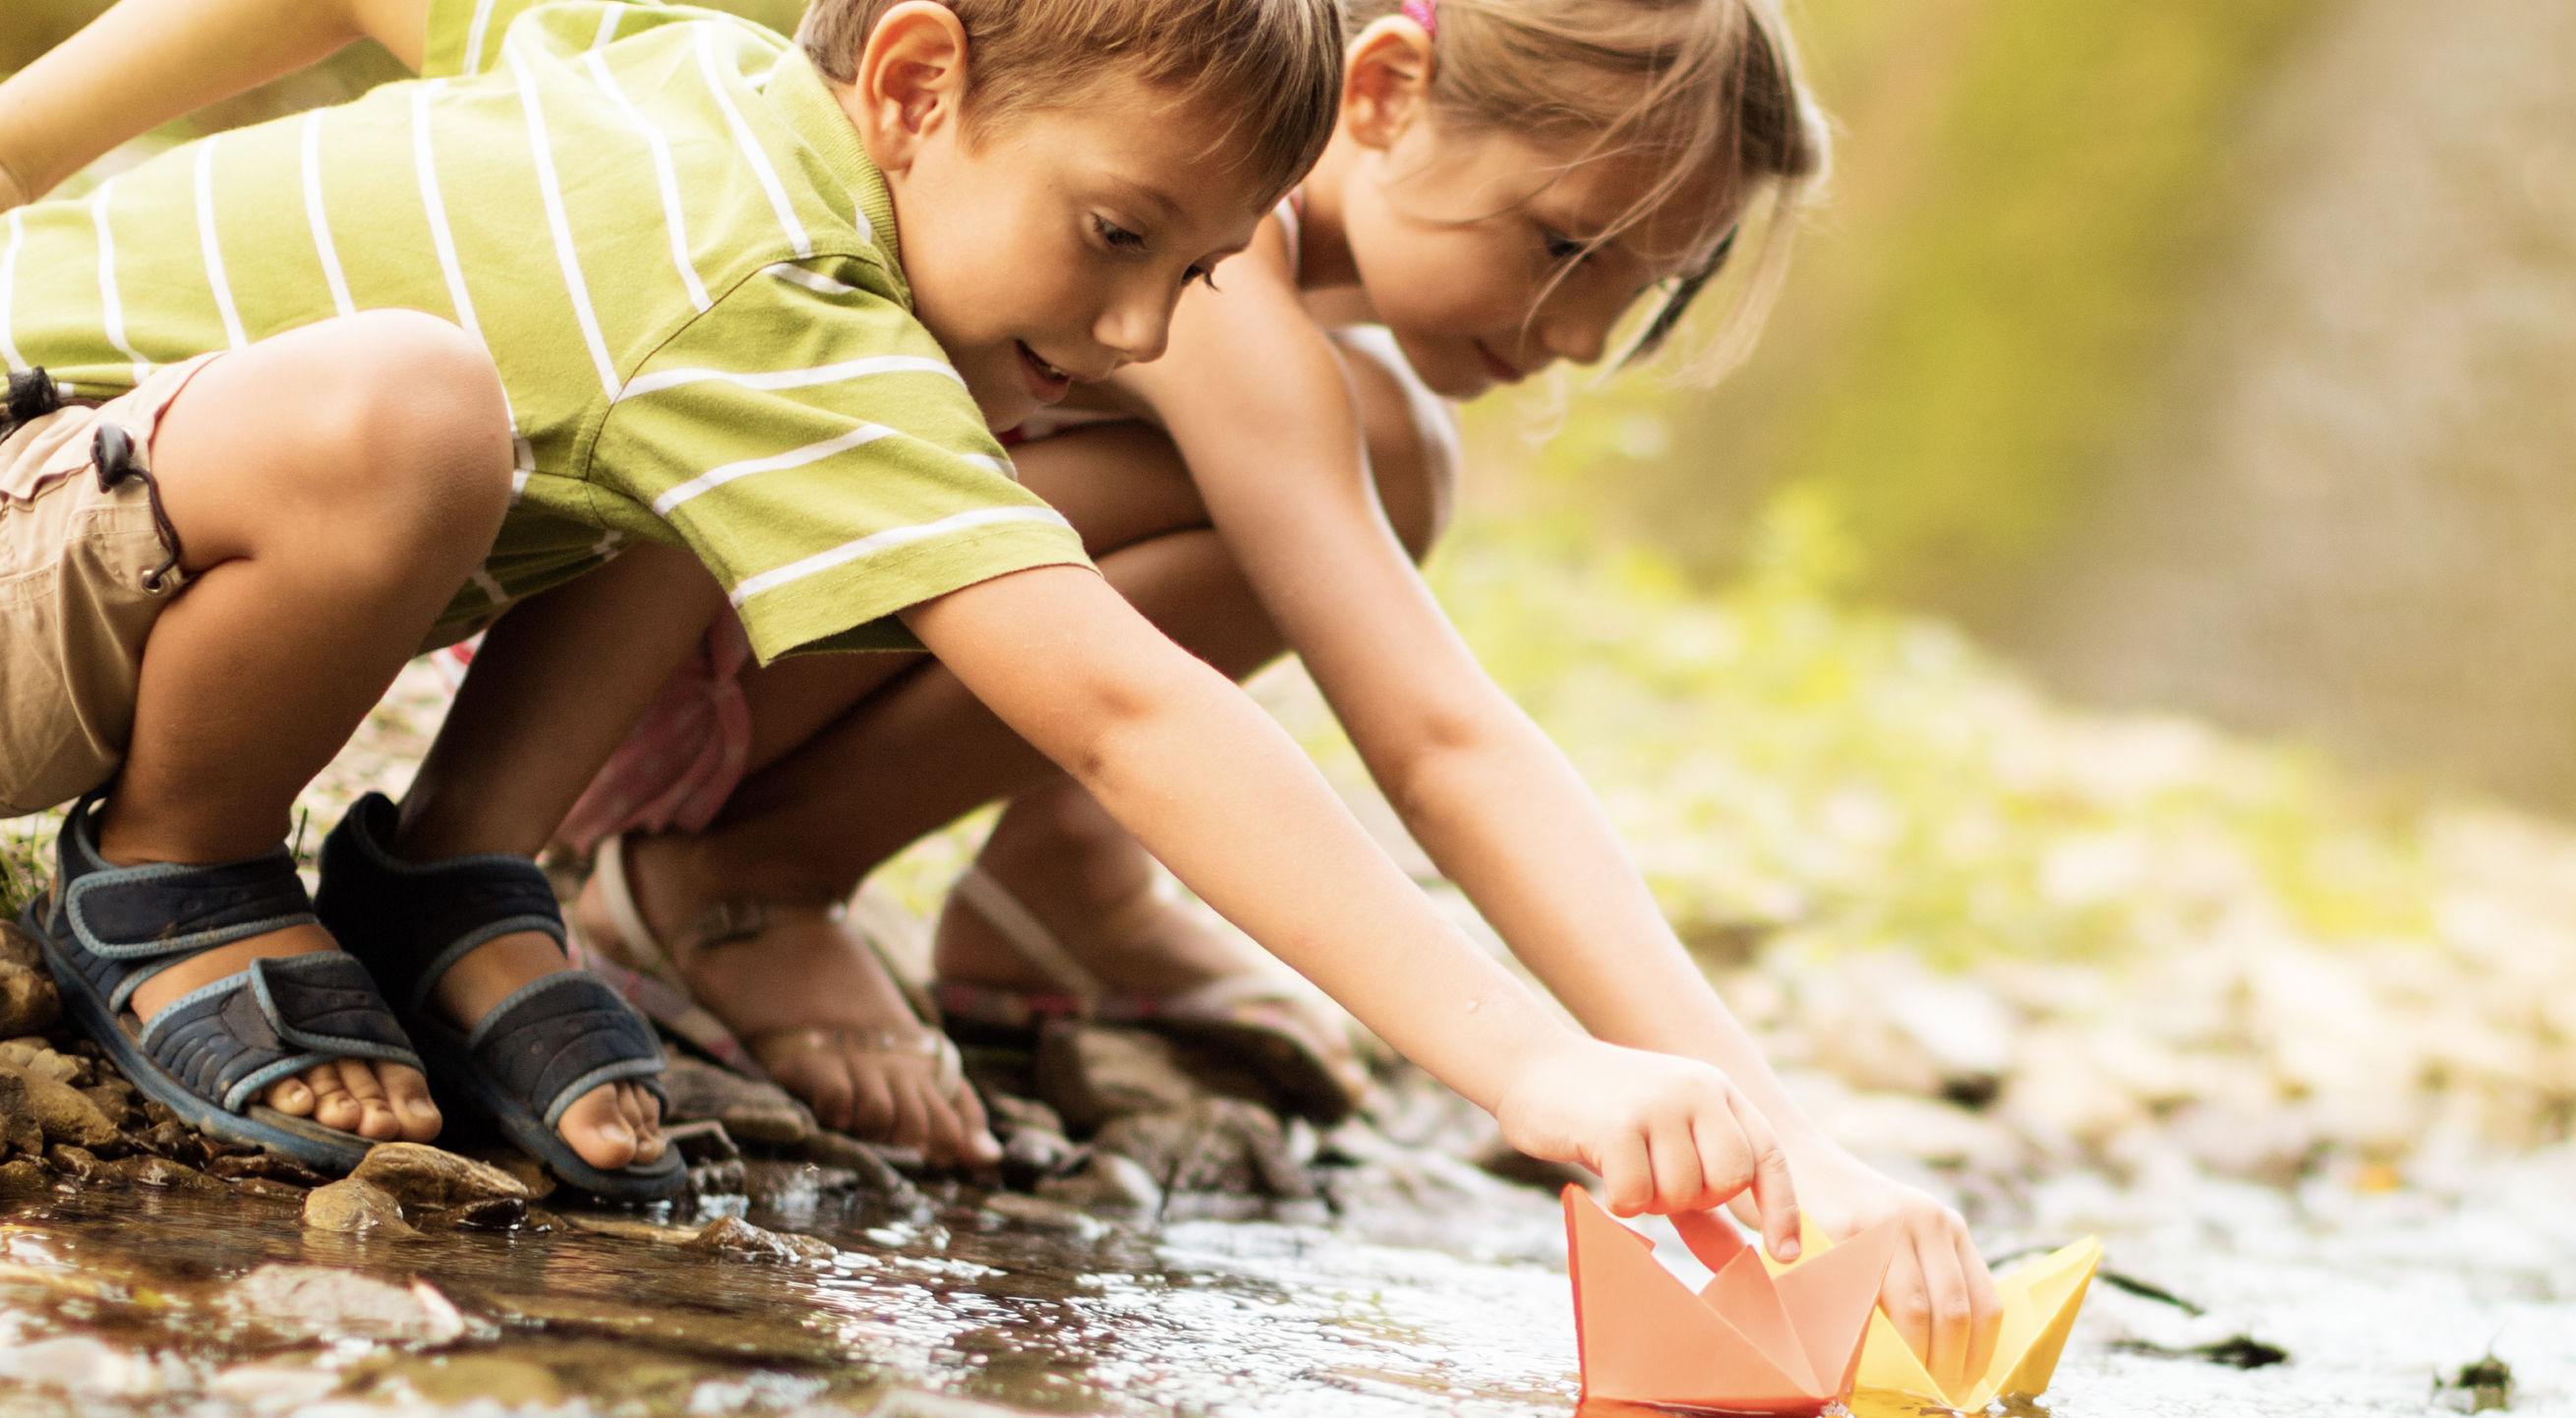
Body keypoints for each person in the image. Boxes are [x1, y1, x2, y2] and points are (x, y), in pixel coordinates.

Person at [0, 0, 1817, 1257]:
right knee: (456, 405)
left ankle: (450, 875)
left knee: (718, 422)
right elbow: (1142, 707)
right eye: (1120, 241)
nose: (1141, 325)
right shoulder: (767, 270)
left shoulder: (731, 107)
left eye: (1192, 278)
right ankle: (180, 876)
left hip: (94, 554)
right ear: (918, 82)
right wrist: (1540, 1066)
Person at [520, 0, 2004, 1359]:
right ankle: (742, 876)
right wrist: (1776, 1137)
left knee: (1383, 449)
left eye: (1641, 290)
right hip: (604, 678)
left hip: (704, 654)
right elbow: (1434, 739)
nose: (1578, 336)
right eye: (1564, 247)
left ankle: (1063, 885)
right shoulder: (1197, 265)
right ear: (1388, 90)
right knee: (1337, 463)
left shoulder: (1223, 271)